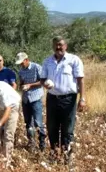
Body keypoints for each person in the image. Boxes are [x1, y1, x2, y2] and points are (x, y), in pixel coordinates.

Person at [40, 36, 86, 164]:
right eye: (55, 45)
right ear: (53, 46)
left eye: (60, 44)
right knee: (52, 127)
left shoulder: (74, 60)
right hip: (52, 99)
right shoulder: (47, 61)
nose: (58, 47)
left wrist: (82, 98)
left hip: (69, 99)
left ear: (66, 46)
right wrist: (45, 84)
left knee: (67, 129)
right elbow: (43, 79)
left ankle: (67, 157)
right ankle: (54, 156)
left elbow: (80, 80)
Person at [15, 52, 46, 152]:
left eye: (22, 63)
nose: (21, 65)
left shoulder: (37, 67)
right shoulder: (21, 71)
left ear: (26, 60)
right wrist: (22, 86)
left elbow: (43, 81)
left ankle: (42, 144)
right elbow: (21, 83)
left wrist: (30, 85)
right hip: (25, 99)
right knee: (28, 122)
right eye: (19, 63)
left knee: (38, 122)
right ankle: (31, 143)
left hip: (36, 98)